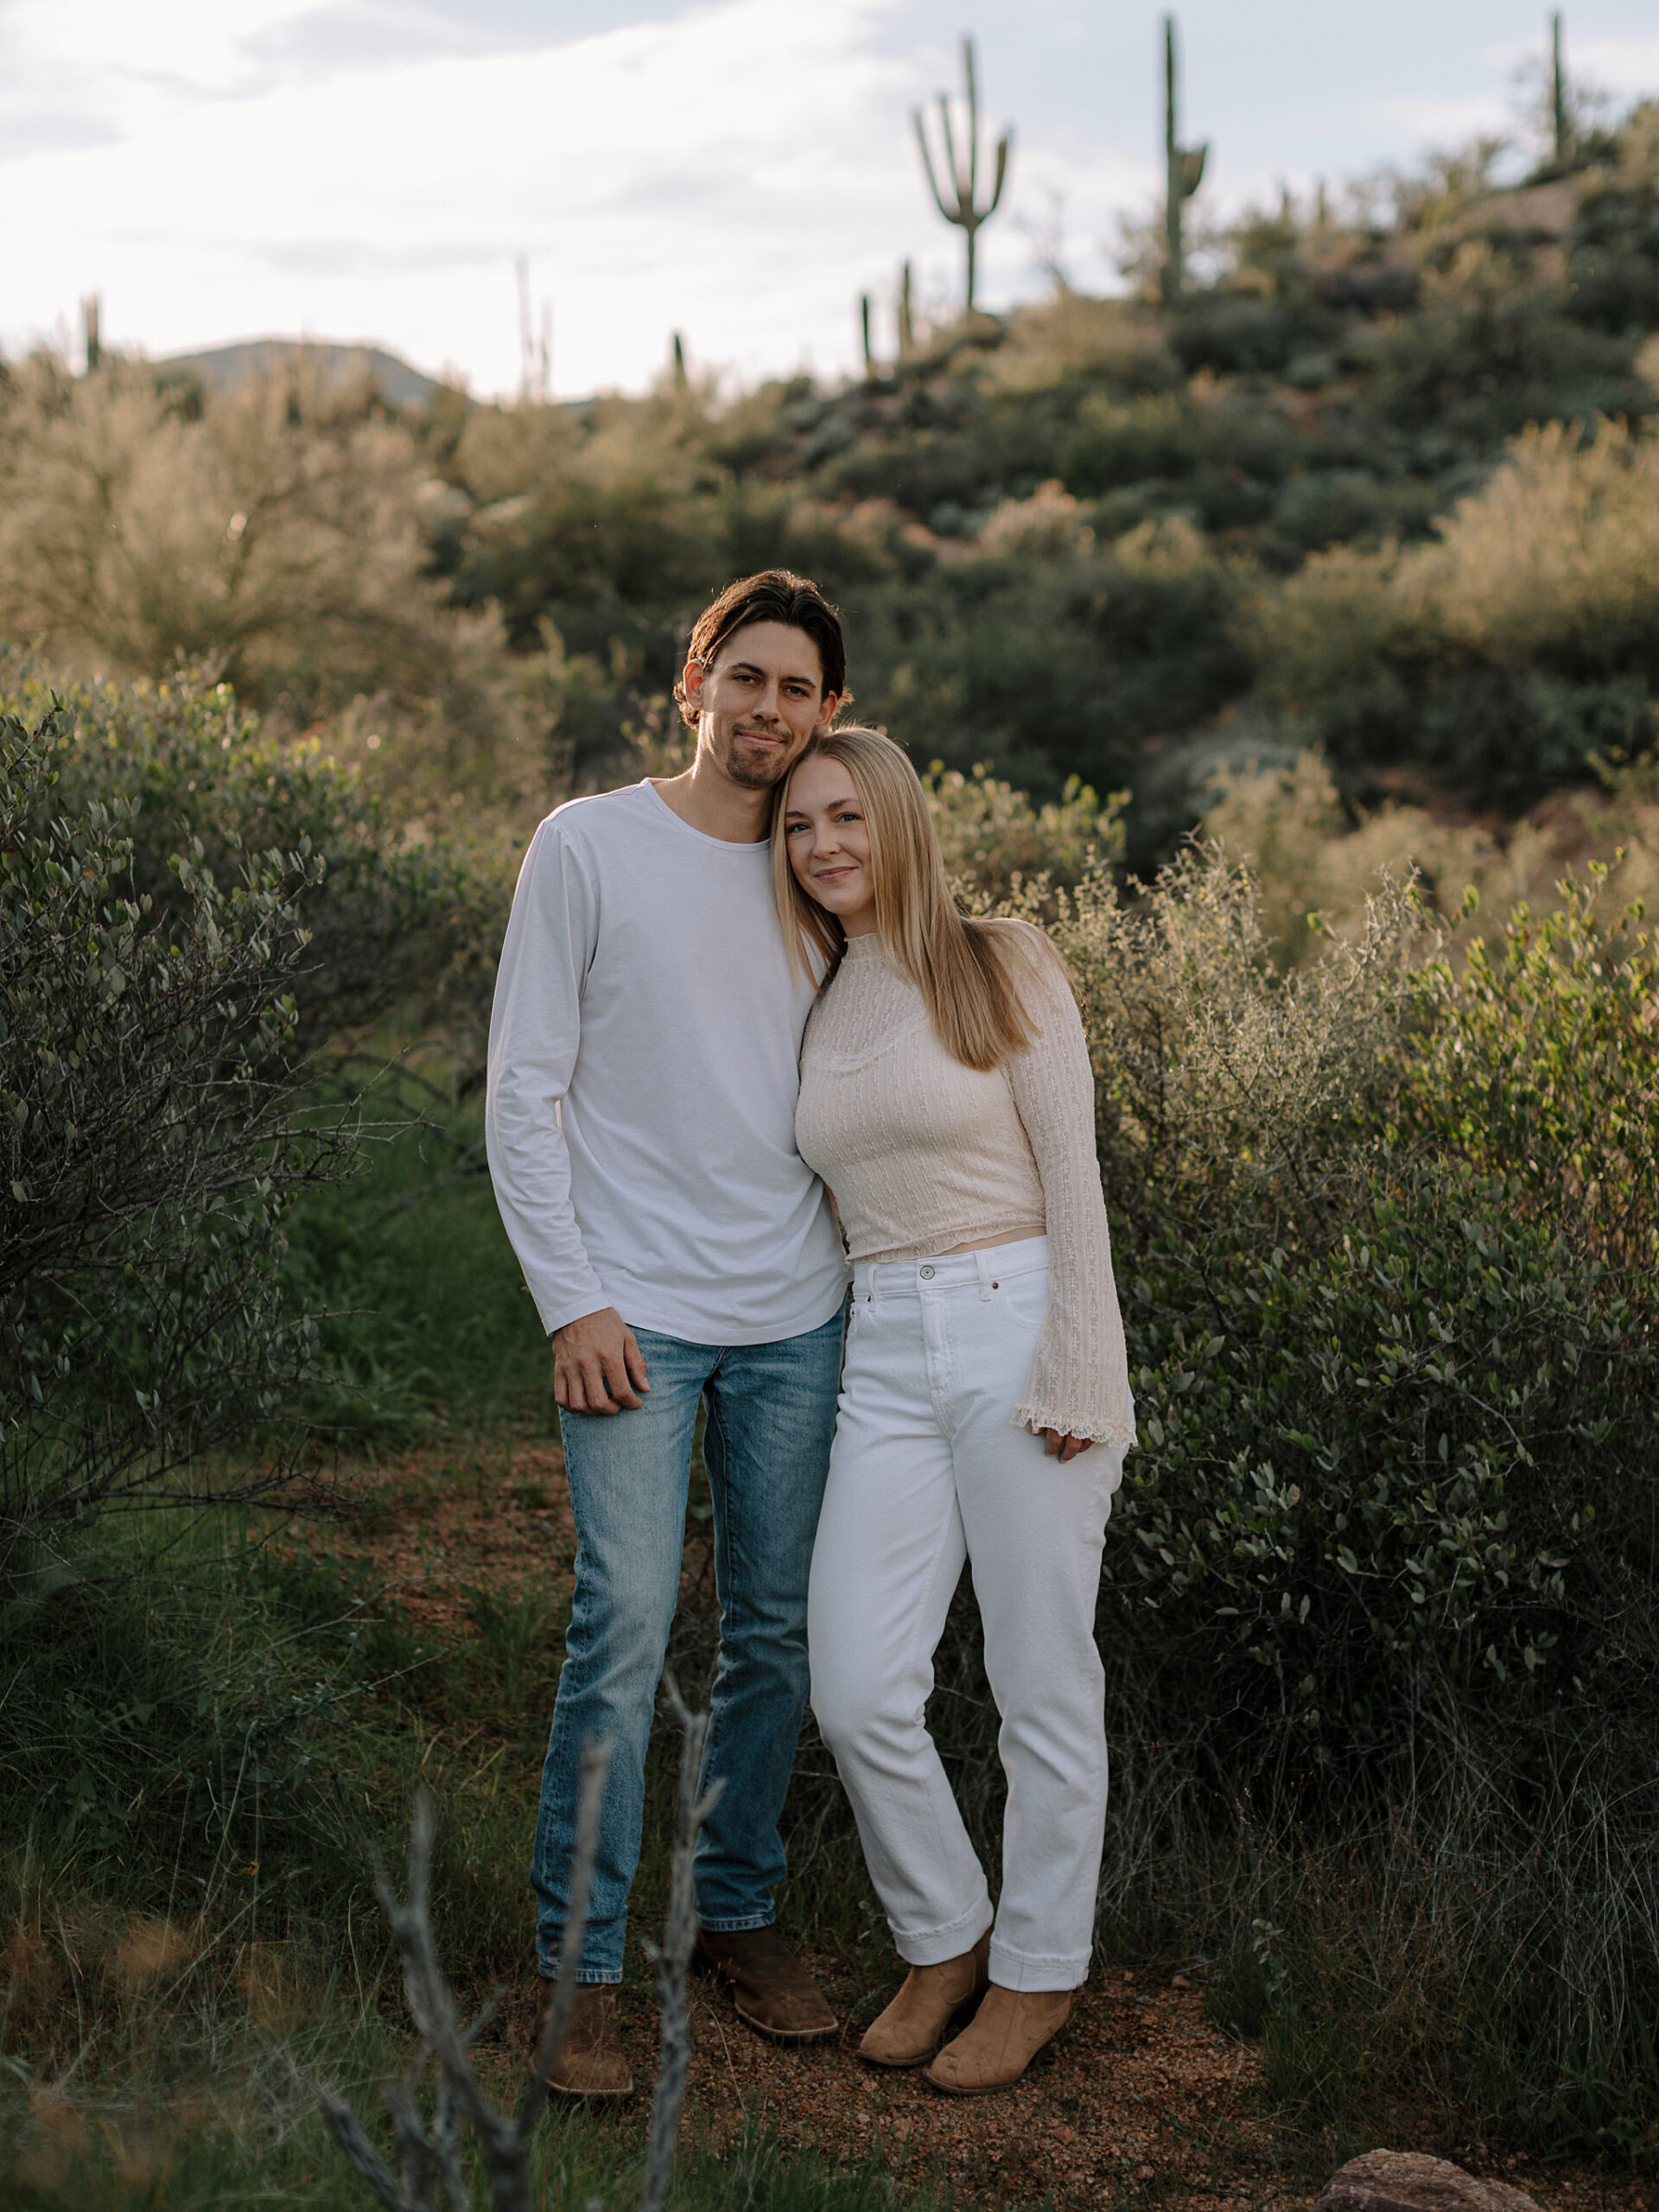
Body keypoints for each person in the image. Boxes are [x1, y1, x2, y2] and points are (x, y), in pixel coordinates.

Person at [486, 571, 854, 2098]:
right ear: (695, 678)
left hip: (799, 1314)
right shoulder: (586, 845)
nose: (771, 711)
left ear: (828, 715)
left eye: (801, 692)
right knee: (625, 1626)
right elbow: (523, 1089)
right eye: (748, 677)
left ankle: (735, 1912)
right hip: (631, 1317)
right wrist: (572, 1296)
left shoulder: (826, 864)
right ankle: (575, 1970)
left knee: (775, 1627)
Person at [774, 726, 1135, 2095]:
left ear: (901, 823)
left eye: (849, 819)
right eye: (802, 826)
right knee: (858, 1683)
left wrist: (1081, 1365)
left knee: (1042, 1676)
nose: (825, 847)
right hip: (884, 1346)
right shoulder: (817, 995)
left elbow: (1074, 1172)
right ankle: (945, 1934)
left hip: (1016, 1318)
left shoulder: (1000, 956)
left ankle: (1039, 1974)